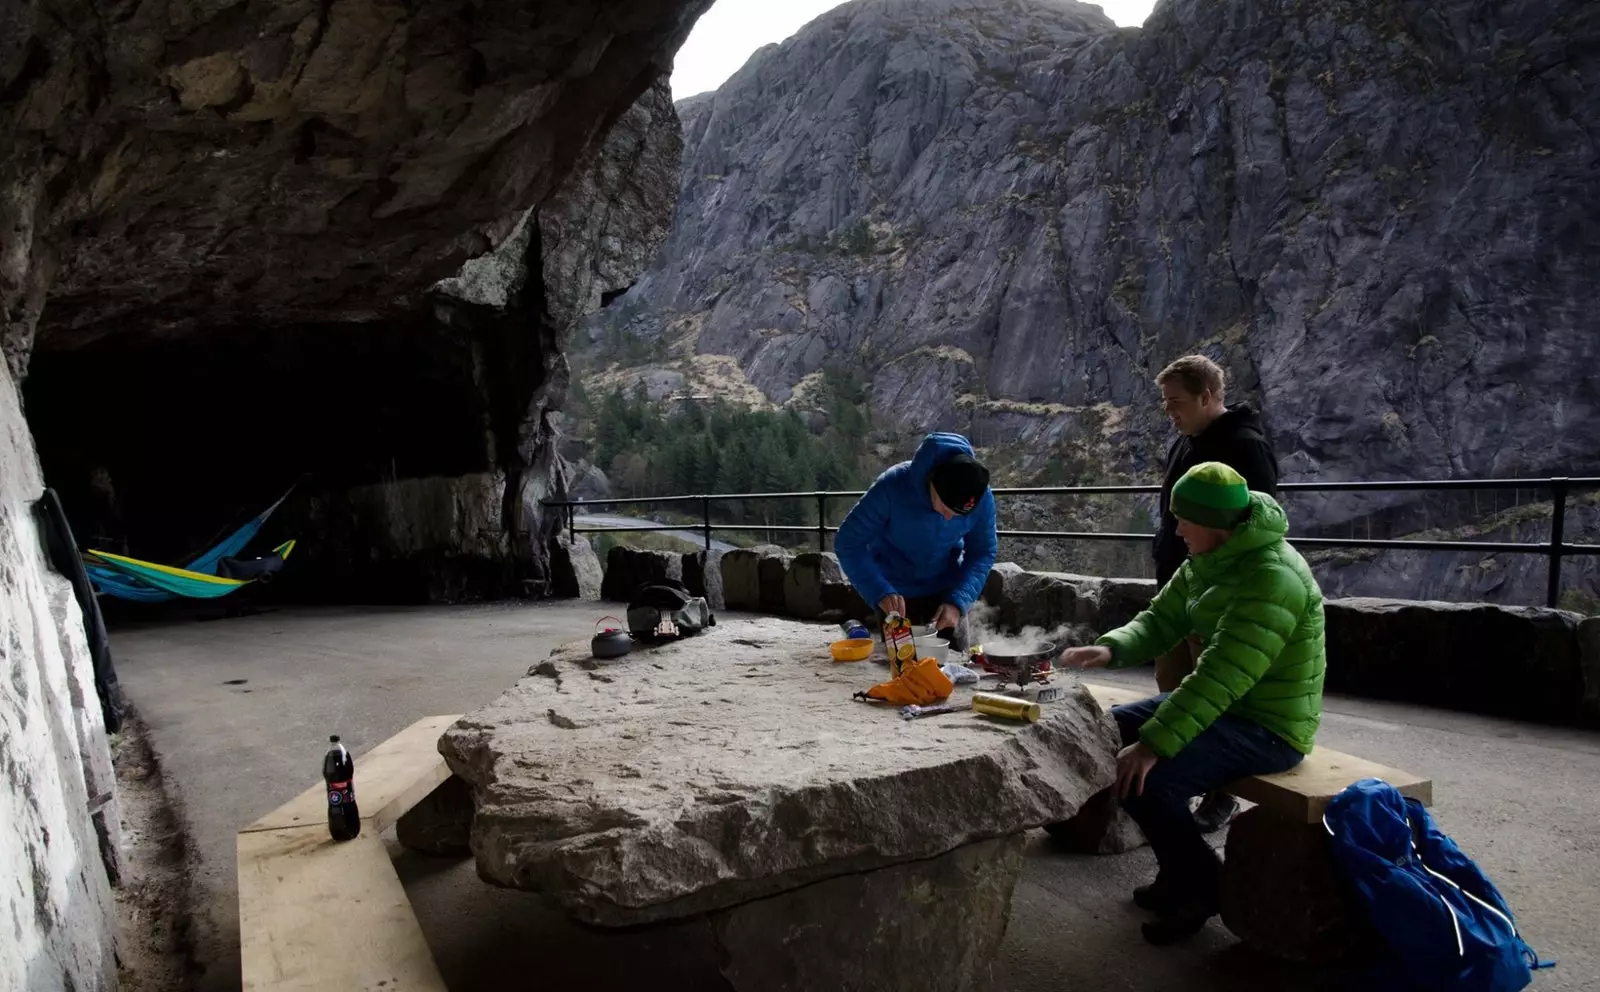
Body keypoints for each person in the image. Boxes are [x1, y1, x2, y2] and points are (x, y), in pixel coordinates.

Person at [1060, 462, 1324, 946]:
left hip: (1269, 725)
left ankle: (1202, 886)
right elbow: (1162, 619)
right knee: (1106, 730)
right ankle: (1177, 872)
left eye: (1183, 519)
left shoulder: (1273, 577)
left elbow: (1221, 677)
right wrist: (1112, 647)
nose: (1174, 528)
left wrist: (1153, 743)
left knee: (1149, 781)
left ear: (1215, 524)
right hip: (1227, 706)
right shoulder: (1209, 558)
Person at [1151, 355, 1280, 833]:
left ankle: (1222, 791)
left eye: (1177, 402)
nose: (1170, 411)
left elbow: (1259, 529)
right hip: (1177, 588)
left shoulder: (1245, 447)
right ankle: (1180, 778)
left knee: (1217, 695)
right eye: (1166, 402)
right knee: (1173, 687)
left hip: (1218, 598)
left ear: (1208, 395)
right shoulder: (1187, 442)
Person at [834, 432, 997, 653]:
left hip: (946, 591)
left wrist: (959, 600)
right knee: (901, 669)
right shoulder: (892, 487)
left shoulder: (981, 497)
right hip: (894, 593)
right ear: (933, 483)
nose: (948, 518)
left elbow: (982, 551)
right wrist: (879, 590)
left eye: (958, 515)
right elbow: (848, 542)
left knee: (957, 666)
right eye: (946, 508)